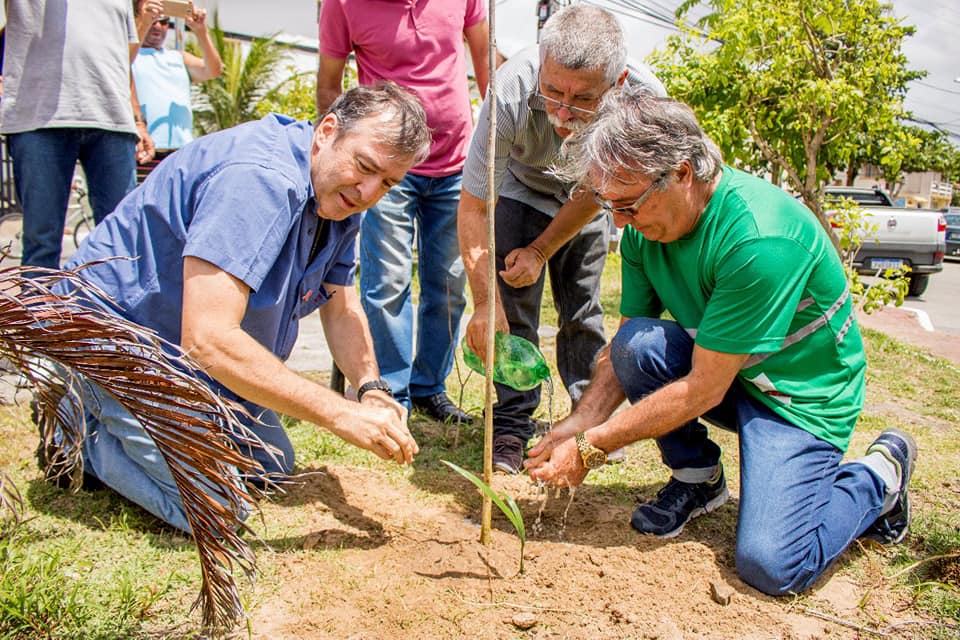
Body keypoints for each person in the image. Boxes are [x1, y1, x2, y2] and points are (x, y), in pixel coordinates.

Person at [525, 90, 917, 596]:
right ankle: (697, 480)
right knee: (637, 345)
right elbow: (628, 342)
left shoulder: (758, 240)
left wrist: (592, 447)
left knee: (772, 565)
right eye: (608, 206)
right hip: (733, 375)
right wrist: (581, 420)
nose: (619, 223)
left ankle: (878, 475)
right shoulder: (648, 229)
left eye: (627, 205)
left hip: (798, 399)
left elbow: (704, 390)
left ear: (682, 173)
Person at [52, 82, 429, 533]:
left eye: (388, 182)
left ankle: (162, 426)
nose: (369, 191)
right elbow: (208, 338)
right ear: (328, 130)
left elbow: (341, 304)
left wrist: (370, 389)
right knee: (220, 506)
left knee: (270, 465)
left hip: (176, 352)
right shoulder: (257, 178)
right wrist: (340, 413)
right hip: (111, 337)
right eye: (365, 166)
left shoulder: (342, 198)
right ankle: (75, 430)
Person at [457, 4, 665, 472]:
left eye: (582, 99)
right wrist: (486, 301)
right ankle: (510, 423)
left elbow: (600, 191)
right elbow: (473, 206)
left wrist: (541, 249)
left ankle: (587, 422)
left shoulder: (644, 100)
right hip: (520, 191)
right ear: (542, 68)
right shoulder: (511, 86)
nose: (562, 111)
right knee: (512, 311)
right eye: (552, 92)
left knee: (583, 311)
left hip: (593, 195)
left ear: (617, 83)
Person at [316, 0, 490, 423]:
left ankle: (431, 387)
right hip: (386, 172)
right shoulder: (343, 4)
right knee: (387, 282)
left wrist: (492, 144)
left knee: (448, 283)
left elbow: (485, 64)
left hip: (456, 165)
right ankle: (390, 394)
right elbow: (328, 87)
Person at [0, 0, 155, 270]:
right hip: (39, 118)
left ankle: (111, 312)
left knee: (122, 243)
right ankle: (40, 312)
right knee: (42, 243)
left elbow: (122, 59)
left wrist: (138, 120)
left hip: (112, 120)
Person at [132, 0, 223, 179]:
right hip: (144, 151)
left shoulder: (178, 57)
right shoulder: (129, 56)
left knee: (176, 206)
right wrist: (143, 23)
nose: (158, 26)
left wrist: (200, 31)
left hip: (180, 153)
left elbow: (214, 70)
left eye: (164, 22)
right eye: (154, 19)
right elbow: (126, 55)